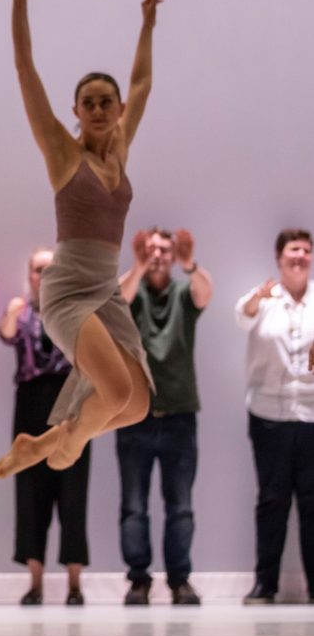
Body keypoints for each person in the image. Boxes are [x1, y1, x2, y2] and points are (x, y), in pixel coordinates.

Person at [0, 0, 163, 481]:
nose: (101, 108)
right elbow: (26, 73)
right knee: (112, 391)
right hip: (66, 289)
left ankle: (44, 444)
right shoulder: (66, 156)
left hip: (105, 290)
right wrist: (19, 3)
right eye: (89, 102)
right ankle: (55, 447)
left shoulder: (121, 151)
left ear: (118, 111)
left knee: (135, 405)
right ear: (77, 111)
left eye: (108, 101)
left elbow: (143, 82)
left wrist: (147, 24)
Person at [116, 228, 212, 606]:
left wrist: (190, 264)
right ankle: (139, 580)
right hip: (135, 416)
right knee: (134, 506)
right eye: (151, 248)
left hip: (180, 416)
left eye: (164, 249)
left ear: (174, 255)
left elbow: (205, 292)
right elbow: (116, 298)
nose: (157, 254)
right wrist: (136, 267)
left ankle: (179, 580)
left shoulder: (183, 294)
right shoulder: (132, 291)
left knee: (181, 505)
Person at [0, 248, 89, 606]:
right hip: (31, 406)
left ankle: (74, 584)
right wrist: (11, 311)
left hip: (71, 405)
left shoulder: (75, 310)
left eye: (51, 269)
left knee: (73, 493)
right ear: (30, 274)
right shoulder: (21, 311)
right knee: (30, 493)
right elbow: (5, 334)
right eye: (39, 269)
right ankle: (35, 583)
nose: (45, 275)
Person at [236, 228, 314, 605]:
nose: (300, 256)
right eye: (293, 250)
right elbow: (243, 316)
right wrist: (257, 299)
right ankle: (265, 584)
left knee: (313, 504)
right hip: (269, 415)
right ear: (279, 257)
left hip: (312, 415)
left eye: (305, 250)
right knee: (272, 501)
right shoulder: (264, 297)